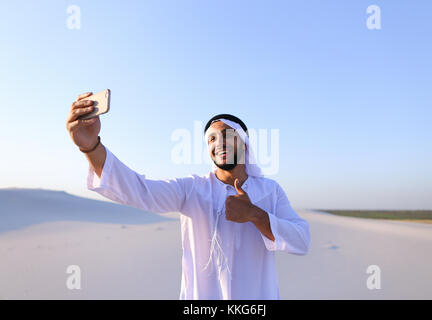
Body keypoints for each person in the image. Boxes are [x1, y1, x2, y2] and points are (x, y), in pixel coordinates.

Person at [66, 92, 311, 300]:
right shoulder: (191, 189)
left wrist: (255, 215)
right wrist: (90, 147)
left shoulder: (270, 190)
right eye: (211, 139)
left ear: (245, 144)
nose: (219, 143)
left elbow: (301, 240)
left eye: (227, 135)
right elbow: (138, 189)